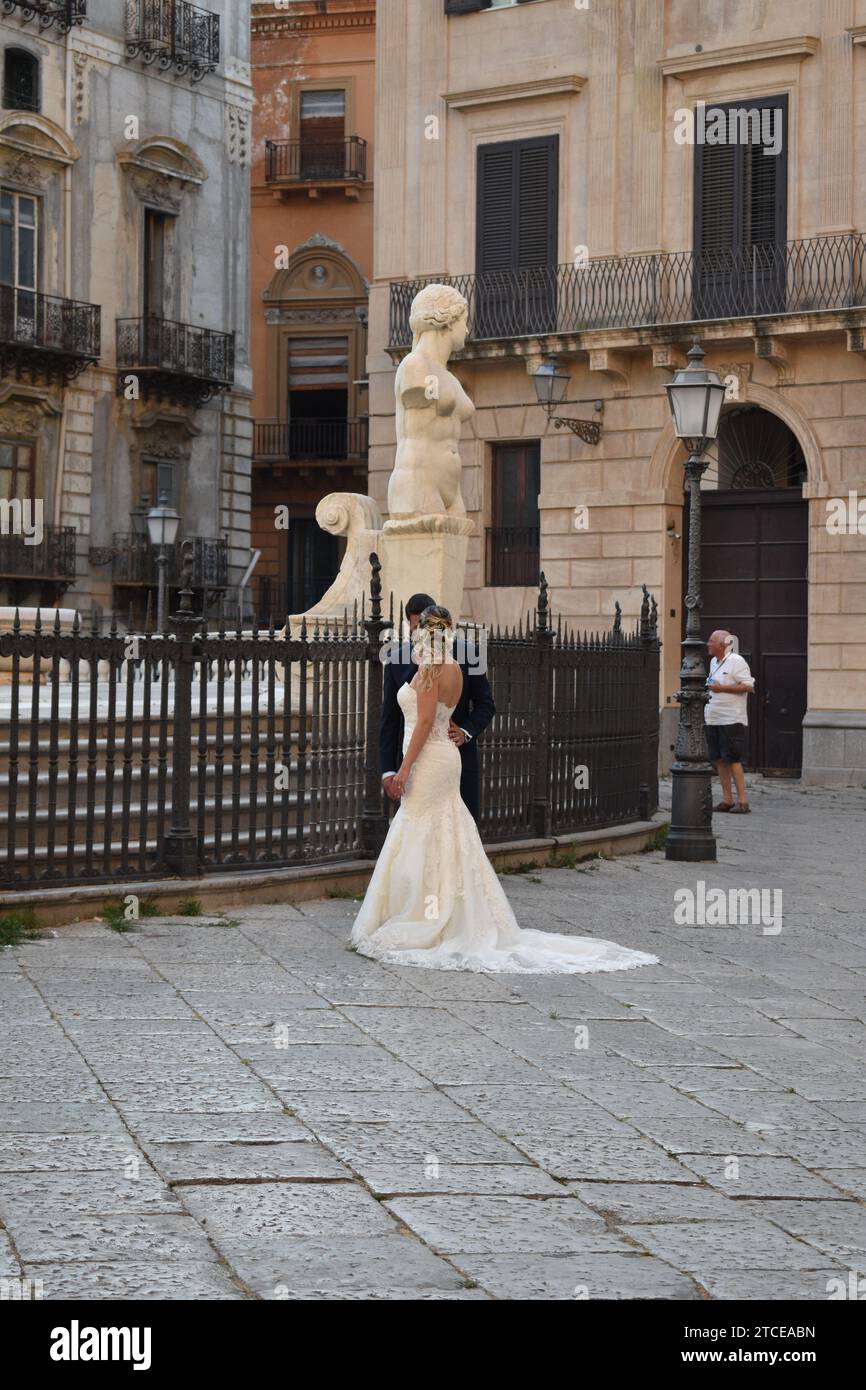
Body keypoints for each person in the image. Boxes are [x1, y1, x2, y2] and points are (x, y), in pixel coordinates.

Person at [350, 605, 658, 975]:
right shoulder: (454, 666)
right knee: (445, 832)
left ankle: (426, 916)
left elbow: (426, 721)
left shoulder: (431, 670)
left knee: (423, 831)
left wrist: (403, 768)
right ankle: (446, 911)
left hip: (429, 760)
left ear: (423, 630)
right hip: (445, 758)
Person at [379, 591, 494, 821]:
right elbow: (389, 721)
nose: (419, 636)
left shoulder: (469, 654)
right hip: (412, 765)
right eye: (414, 630)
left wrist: (465, 731)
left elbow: (486, 705)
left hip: (453, 759)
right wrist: (389, 770)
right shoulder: (395, 661)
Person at [705, 630, 755, 815]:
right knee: (719, 760)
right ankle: (727, 799)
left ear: (722, 645)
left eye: (711, 641)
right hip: (713, 718)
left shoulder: (737, 661)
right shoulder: (713, 662)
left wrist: (721, 688)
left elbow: (748, 686)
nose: (708, 644)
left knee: (733, 758)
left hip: (731, 718)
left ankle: (742, 801)